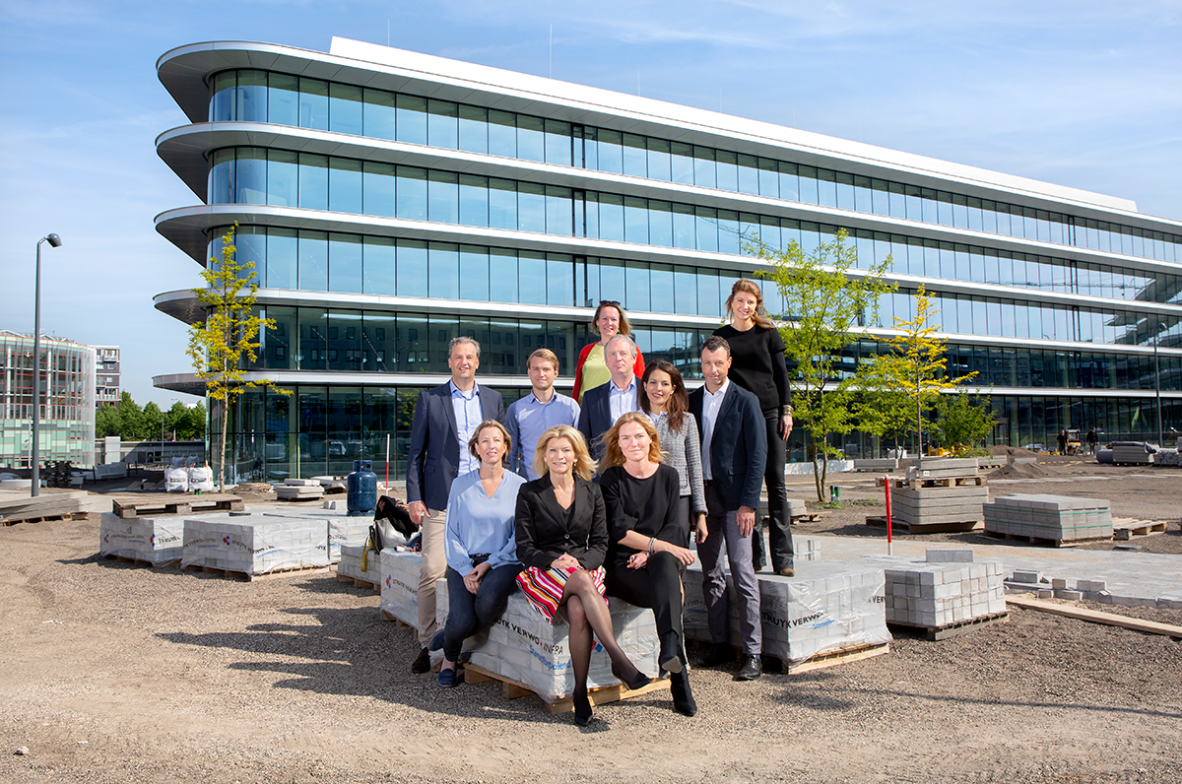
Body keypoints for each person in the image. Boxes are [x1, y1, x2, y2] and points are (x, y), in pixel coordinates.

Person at [514, 426, 650, 726]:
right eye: (552, 450)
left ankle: (579, 693)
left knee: (578, 610)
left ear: (576, 456)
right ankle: (619, 659)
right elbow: (523, 547)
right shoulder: (529, 492)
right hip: (544, 571)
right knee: (582, 581)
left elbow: (600, 544)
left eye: (566, 450)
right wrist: (554, 561)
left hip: (583, 567)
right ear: (543, 456)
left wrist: (580, 561)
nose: (559, 456)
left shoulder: (592, 491)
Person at [404, 337, 505, 674]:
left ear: (477, 362)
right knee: (433, 570)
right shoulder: (431, 399)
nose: (464, 362)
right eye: (458, 357)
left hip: (482, 500)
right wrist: (414, 497)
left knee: (481, 569)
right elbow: (415, 453)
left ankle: (460, 639)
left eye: (470, 357)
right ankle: (427, 644)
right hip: (441, 499)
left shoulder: (492, 399)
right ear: (450, 362)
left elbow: (504, 447)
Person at [600, 412, 699, 717]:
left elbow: (674, 526)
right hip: (622, 566)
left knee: (666, 564)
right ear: (618, 444)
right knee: (670, 587)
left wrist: (651, 552)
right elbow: (619, 532)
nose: (634, 443)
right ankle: (678, 677)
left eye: (639, 436)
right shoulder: (611, 479)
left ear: (651, 439)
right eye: (626, 438)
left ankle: (670, 653)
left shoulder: (669, 476)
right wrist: (655, 548)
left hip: (656, 561)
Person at [688, 336, 768, 681]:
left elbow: (758, 456)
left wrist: (749, 503)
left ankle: (753, 653)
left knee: (743, 572)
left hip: (737, 503)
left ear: (729, 363)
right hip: (704, 502)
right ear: (701, 363)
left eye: (719, 363)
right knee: (711, 574)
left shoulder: (746, 401)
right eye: (707, 363)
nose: (713, 369)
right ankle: (719, 643)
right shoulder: (690, 402)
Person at [431, 420, 526, 687]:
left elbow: (519, 535)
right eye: (484, 441)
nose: (490, 446)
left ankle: (448, 641)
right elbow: (451, 532)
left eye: (497, 440)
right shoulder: (460, 485)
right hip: (466, 561)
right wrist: (465, 569)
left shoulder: (520, 486)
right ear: (475, 448)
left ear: (506, 447)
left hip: (504, 562)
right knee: (461, 618)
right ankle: (451, 653)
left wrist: (489, 564)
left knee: (488, 598)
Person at [713, 279, 795, 577]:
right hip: (739, 416)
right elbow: (717, 375)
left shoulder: (768, 333)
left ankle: (784, 559)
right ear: (731, 302)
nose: (745, 306)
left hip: (771, 413)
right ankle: (755, 556)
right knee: (748, 484)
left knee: (776, 483)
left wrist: (786, 411)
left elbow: (782, 375)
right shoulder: (721, 337)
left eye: (750, 302)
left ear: (756, 305)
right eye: (740, 301)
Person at [637, 360, 706, 546]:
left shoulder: (687, 421)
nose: (658, 388)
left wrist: (700, 514)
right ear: (644, 385)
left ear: (673, 389)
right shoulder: (633, 421)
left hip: (679, 498)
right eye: (653, 382)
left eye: (665, 383)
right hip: (642, 497)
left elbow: (695, 467)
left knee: (676, 554)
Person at [506, 348, 581, 480]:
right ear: (529, 372)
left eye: (546, 369)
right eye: (536, 369)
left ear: (555, 373)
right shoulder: (516, 409)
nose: (541, 374)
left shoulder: (571, 407)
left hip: (565, 483)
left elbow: (580, 448)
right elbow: (510, 452)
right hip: (529, 484)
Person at [577, 334, 641, 464]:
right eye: (612, 354)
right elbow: (583, 442)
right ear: (606, 361)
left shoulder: (649, 392)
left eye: (623, 353)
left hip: (642, 470)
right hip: (605, 471)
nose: (618, 358)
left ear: (634, 358)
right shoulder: (591, 398)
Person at [572, 300, 645, 403]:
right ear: (597, 322)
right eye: (604, 319)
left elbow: (640, 383)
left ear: (619, 324)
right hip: (586, 407)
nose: (609, 323)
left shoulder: (631, 349)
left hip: (617, 407)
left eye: (613, 319)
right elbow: (578, 385)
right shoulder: (586, 350)